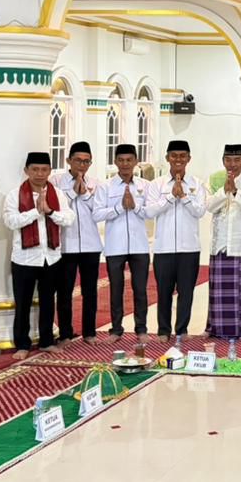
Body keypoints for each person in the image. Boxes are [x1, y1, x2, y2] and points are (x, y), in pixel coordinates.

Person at [4, 152, 75, 360]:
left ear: (50, 171)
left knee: (47, 301)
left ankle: (46, 341)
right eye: (35, 169)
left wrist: (50, 211)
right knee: (23, 303)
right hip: (24, 258)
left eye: (44, 170)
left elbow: (69, 218)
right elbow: (10, 221)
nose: (39, 174)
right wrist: (36, 212)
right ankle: (22, 344)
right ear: (26, 171)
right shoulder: (14, 195)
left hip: (51, 257)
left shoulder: (57, 194)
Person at [145, 139, 208, 341]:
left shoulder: (197, 184)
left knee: (186, 292)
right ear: (167, 158)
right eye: (174, 156)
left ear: (189, 158)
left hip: (189, 248)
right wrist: (171, 197)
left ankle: (182, 330)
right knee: (163, 292)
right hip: (163, 248)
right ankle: (163, 331)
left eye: (182, 156)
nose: (178, 159)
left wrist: (184, 197)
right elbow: (149, 211)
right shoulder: (157, 184)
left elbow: (200, 211)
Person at [92, 144, 151, 341]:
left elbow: (151, 212)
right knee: (116, 290)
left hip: (139, 245)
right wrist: (118, 208)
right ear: (115, 162)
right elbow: (97, 214)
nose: (125, 164)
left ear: (136, 161)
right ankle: (116, 329)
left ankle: (141, 329)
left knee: (140, 289)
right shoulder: (105, 186)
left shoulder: (145, 185)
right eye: (121, 160)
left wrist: (135, 207)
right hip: (115, 246)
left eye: (129, 160)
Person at [205, 144, 241, 340]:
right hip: (220, 245)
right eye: (228, 160)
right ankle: (216, 330)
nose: (232, 164)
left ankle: (238, 331)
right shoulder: (215, 180)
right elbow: (209, 206)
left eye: (237, 160)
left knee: (239, 293)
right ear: (223, 161)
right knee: (218, 293)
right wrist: (224, 191)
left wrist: (236, 192)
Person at [53, 141, 102, 344]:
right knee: (64, 291)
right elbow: (56, 207)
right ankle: (65, 333)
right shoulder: (56, 181)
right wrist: (73, 192)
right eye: (78, 160)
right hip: (66, 245)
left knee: (90, 291)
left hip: (91, 244)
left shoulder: (96, 183)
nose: (82, 165)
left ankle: (89, 332)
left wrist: (86, 194)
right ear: (68, 161)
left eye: (86, 161)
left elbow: (99, 211)